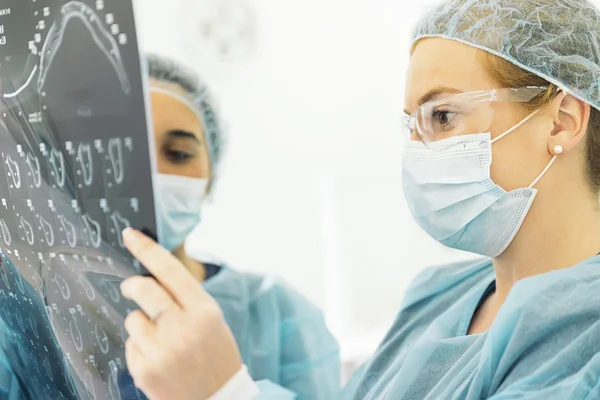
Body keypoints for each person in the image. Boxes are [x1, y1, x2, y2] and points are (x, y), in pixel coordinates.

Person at [121, 0, 600, 399]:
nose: (419, 149)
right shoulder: (438, 299)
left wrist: (224, 392)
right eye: (412, 124)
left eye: (444, 116)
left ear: (562, 120)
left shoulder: (586, 335)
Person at [141, 53, 340, 399]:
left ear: (210, 175)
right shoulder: (30, 318)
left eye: (178, 153)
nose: (155, 174)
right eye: (135, 153)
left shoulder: (275, 314)